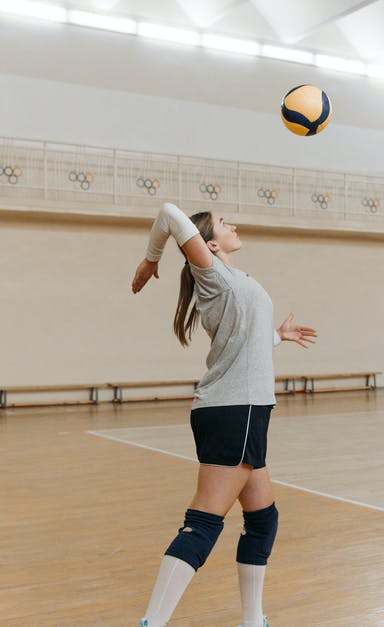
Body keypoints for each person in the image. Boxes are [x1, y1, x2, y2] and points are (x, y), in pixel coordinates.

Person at [131, 202, 317, 627]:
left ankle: (253, 621)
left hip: (239, 410)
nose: (233, 225)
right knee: (203, 523)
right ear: (210, 245)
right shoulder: (211, 273)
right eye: (222, 223)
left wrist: (277, 336)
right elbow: (167, 213)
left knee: (262, 519)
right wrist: (151, 258)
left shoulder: (229, 280)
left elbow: (241, 344)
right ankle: (152, 623)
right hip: (238, 411)